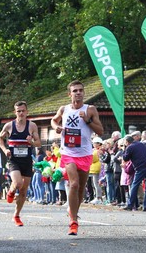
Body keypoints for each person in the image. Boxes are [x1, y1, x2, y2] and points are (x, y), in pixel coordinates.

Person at [51, 80, 103, 235]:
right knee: (73, 184)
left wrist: (87, 120)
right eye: (75, 91)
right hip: (68, 153)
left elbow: (100, 130)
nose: (78, 93)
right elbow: (53, 120)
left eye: (80, 90)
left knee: (81, 188)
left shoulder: (90, 109)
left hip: (85, 154)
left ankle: (73, 210)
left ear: (84, 93)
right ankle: (73, 221)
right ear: (70, 94)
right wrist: (56, 128)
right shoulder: (64, 109)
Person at [0, 100, 42, 227]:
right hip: (13, 160)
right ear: (15, 112)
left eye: (23, 111)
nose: (21, 113)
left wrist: (31, 142)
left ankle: (16, 215)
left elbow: (39, 143)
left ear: (27, 112)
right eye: (18, 111)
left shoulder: (32, 126)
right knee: (17, 183)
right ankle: (11, 191)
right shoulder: (9, 126)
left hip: (27, 160)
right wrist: (5, 149)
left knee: (23, 191)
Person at [122, 135, 146, 212]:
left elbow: (125, 158)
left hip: (140, 168)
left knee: (135, 185)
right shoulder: (140, 144)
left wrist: (124, 149)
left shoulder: (130, 147)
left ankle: (130, 204)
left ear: (127, 142)